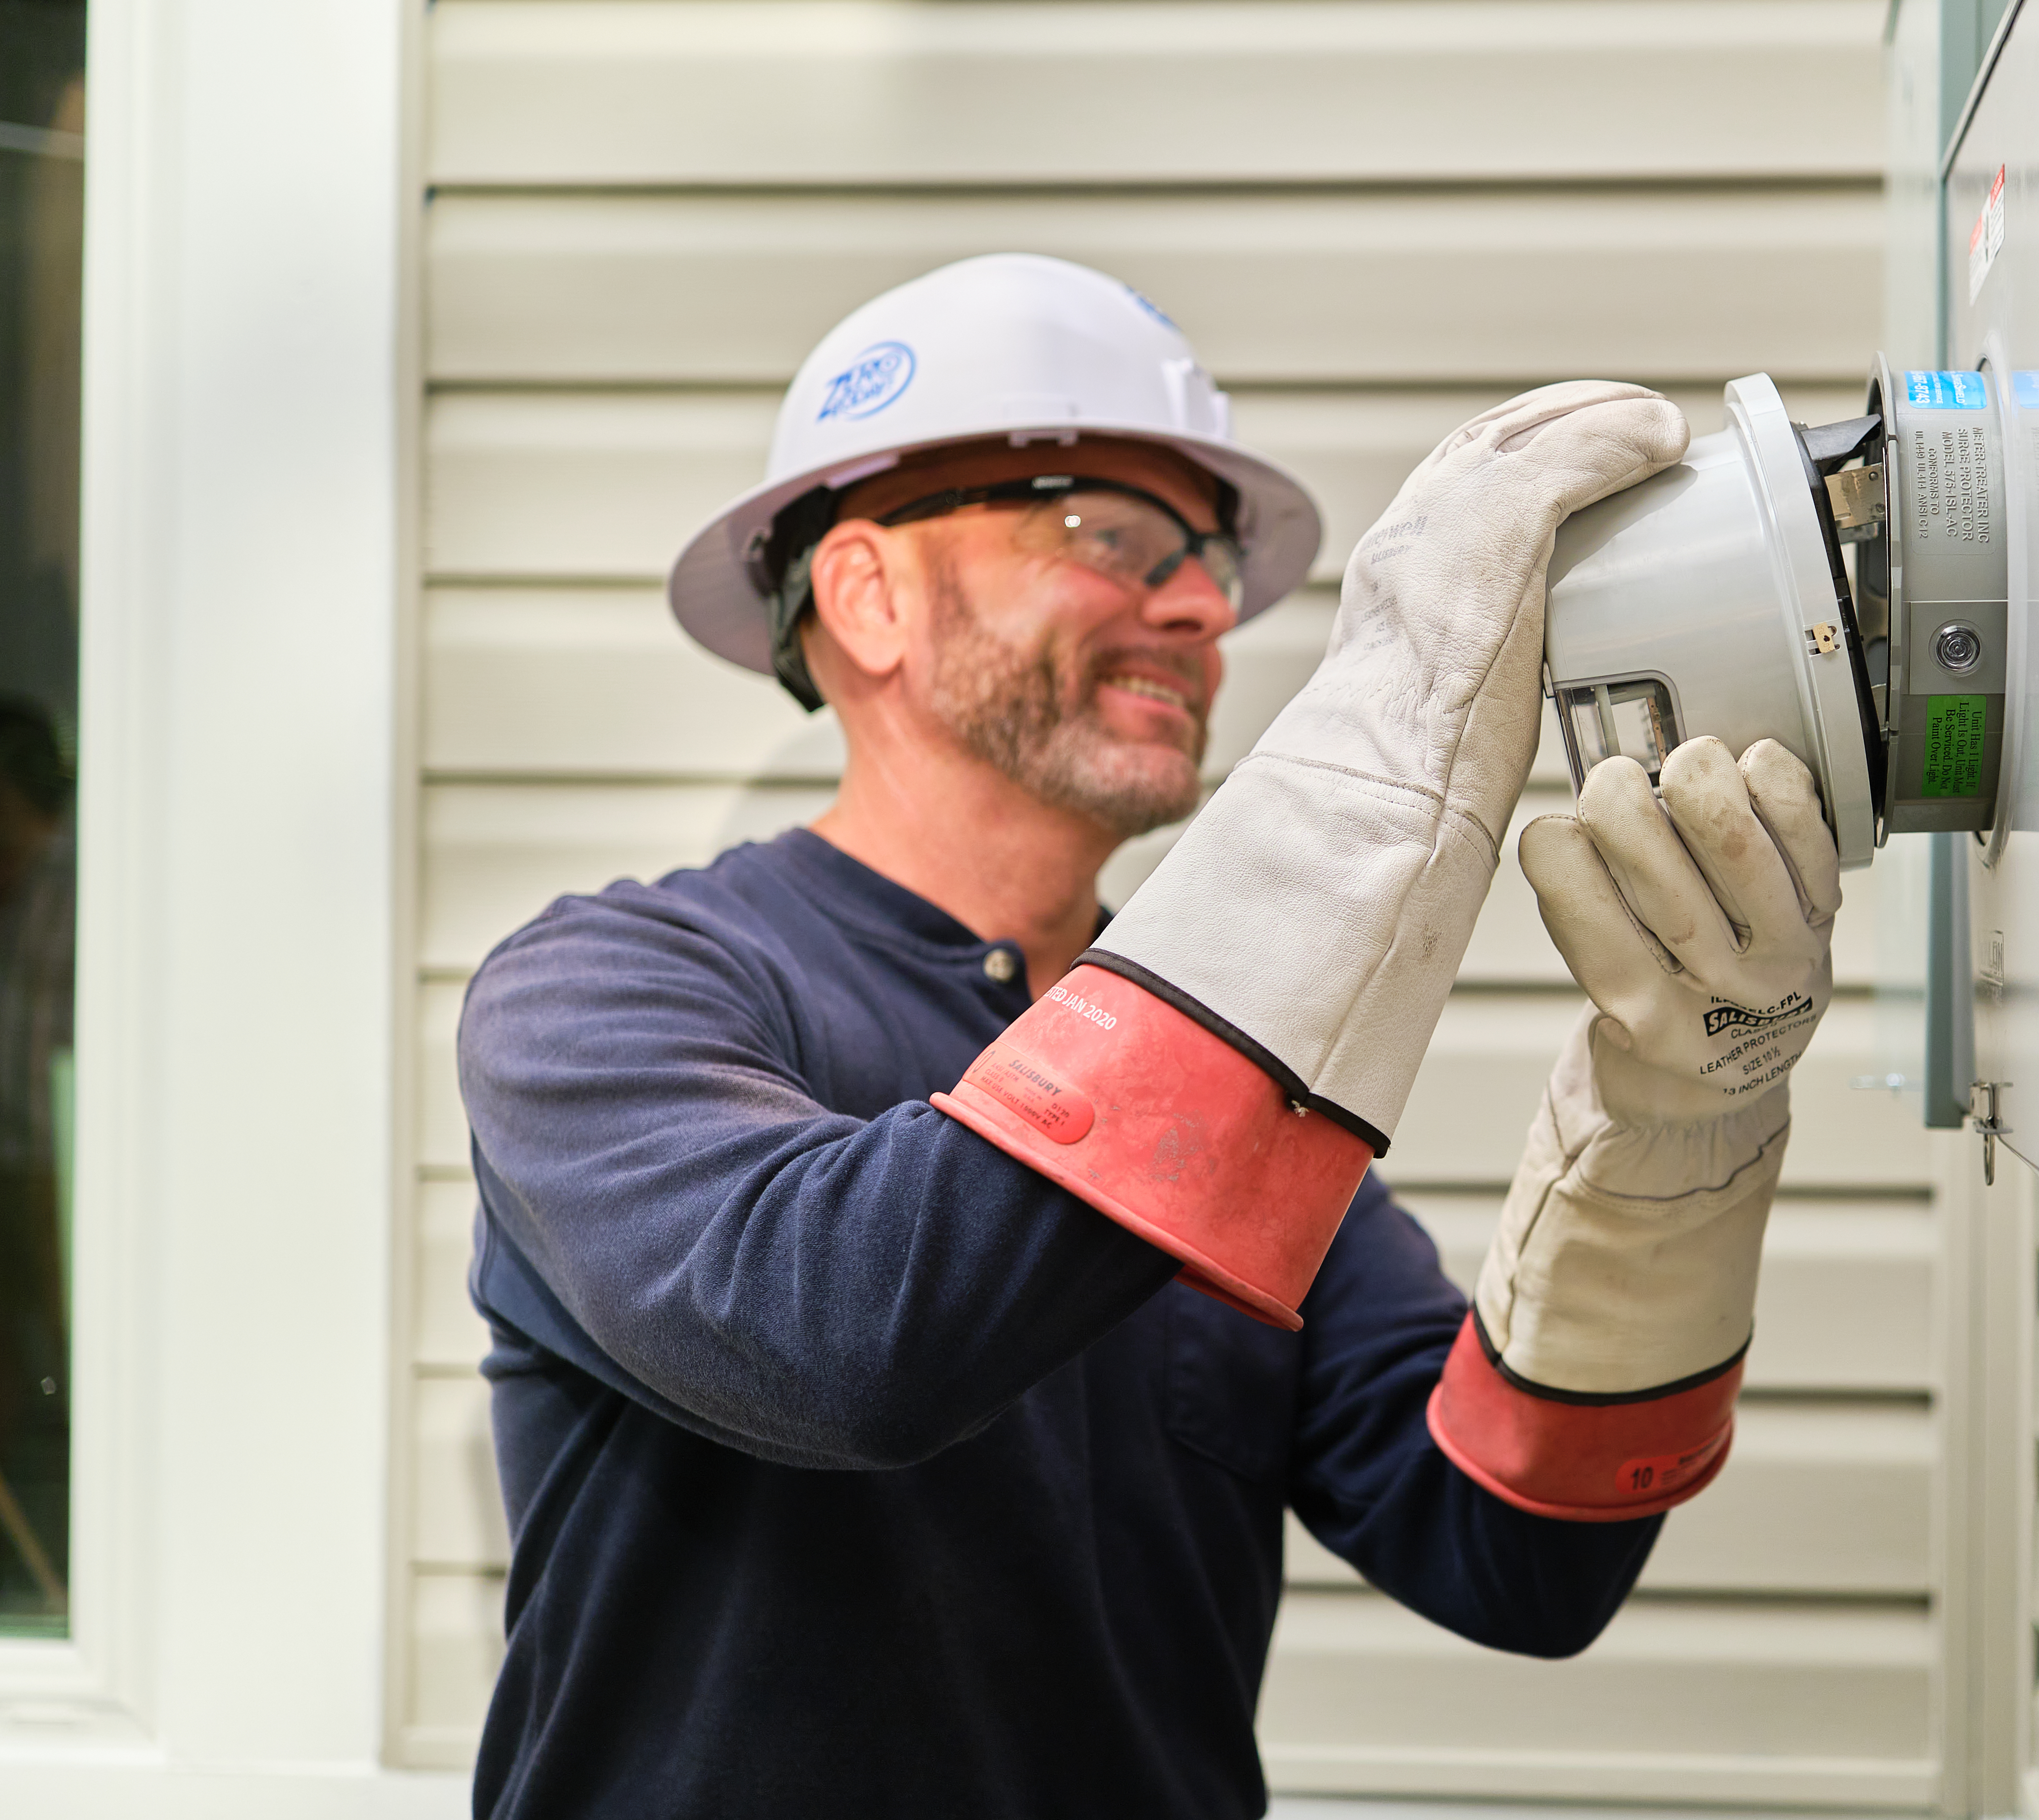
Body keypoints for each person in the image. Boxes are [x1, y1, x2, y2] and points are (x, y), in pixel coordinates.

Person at [457, 255, 1840, 1818]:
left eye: (1207, 559)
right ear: (867, 595)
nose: (1201, 607)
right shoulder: (605, 992)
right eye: (1105, 534)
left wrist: (1670, 1136)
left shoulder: (1235, 1080)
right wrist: (1386, 728)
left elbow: (1515, 1553)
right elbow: (843, 1341)